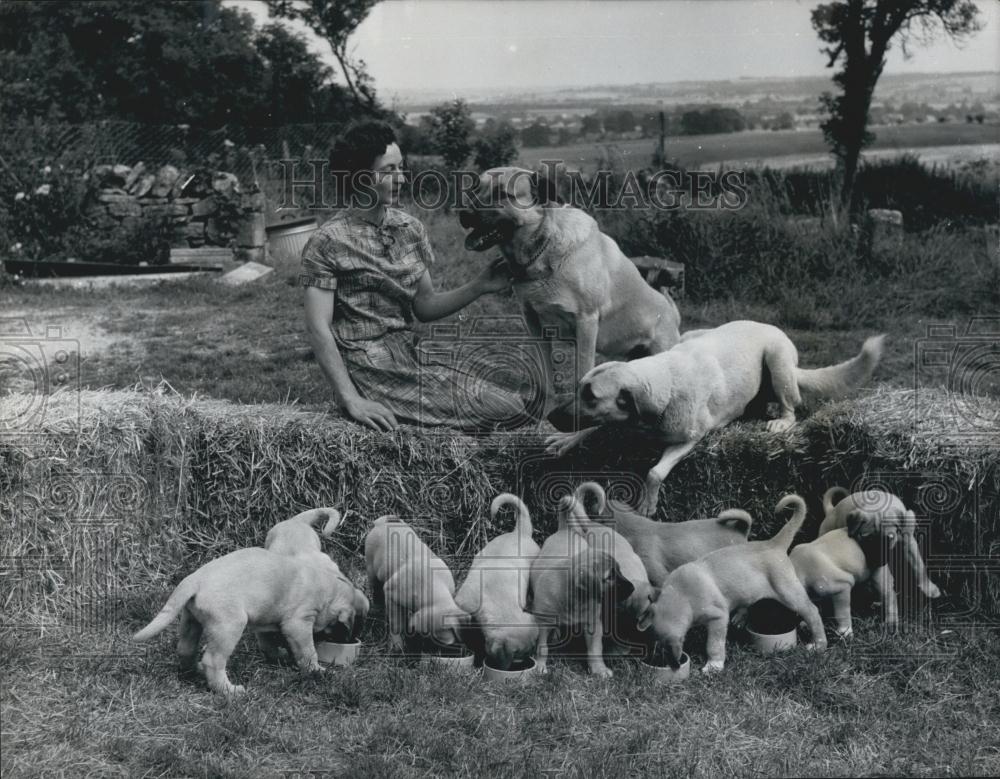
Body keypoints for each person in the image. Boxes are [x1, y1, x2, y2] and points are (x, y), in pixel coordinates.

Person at [299, 120, 536, 433]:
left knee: (517, 402)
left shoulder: (410, 229)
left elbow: (424, 306)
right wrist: (350, 398)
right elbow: (318, 327)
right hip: (368, 366)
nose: (401, 178)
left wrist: (480, 286)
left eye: (402, 167)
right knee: (507, 410)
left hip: (409, 352)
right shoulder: (327, 241)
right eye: (388, 170)